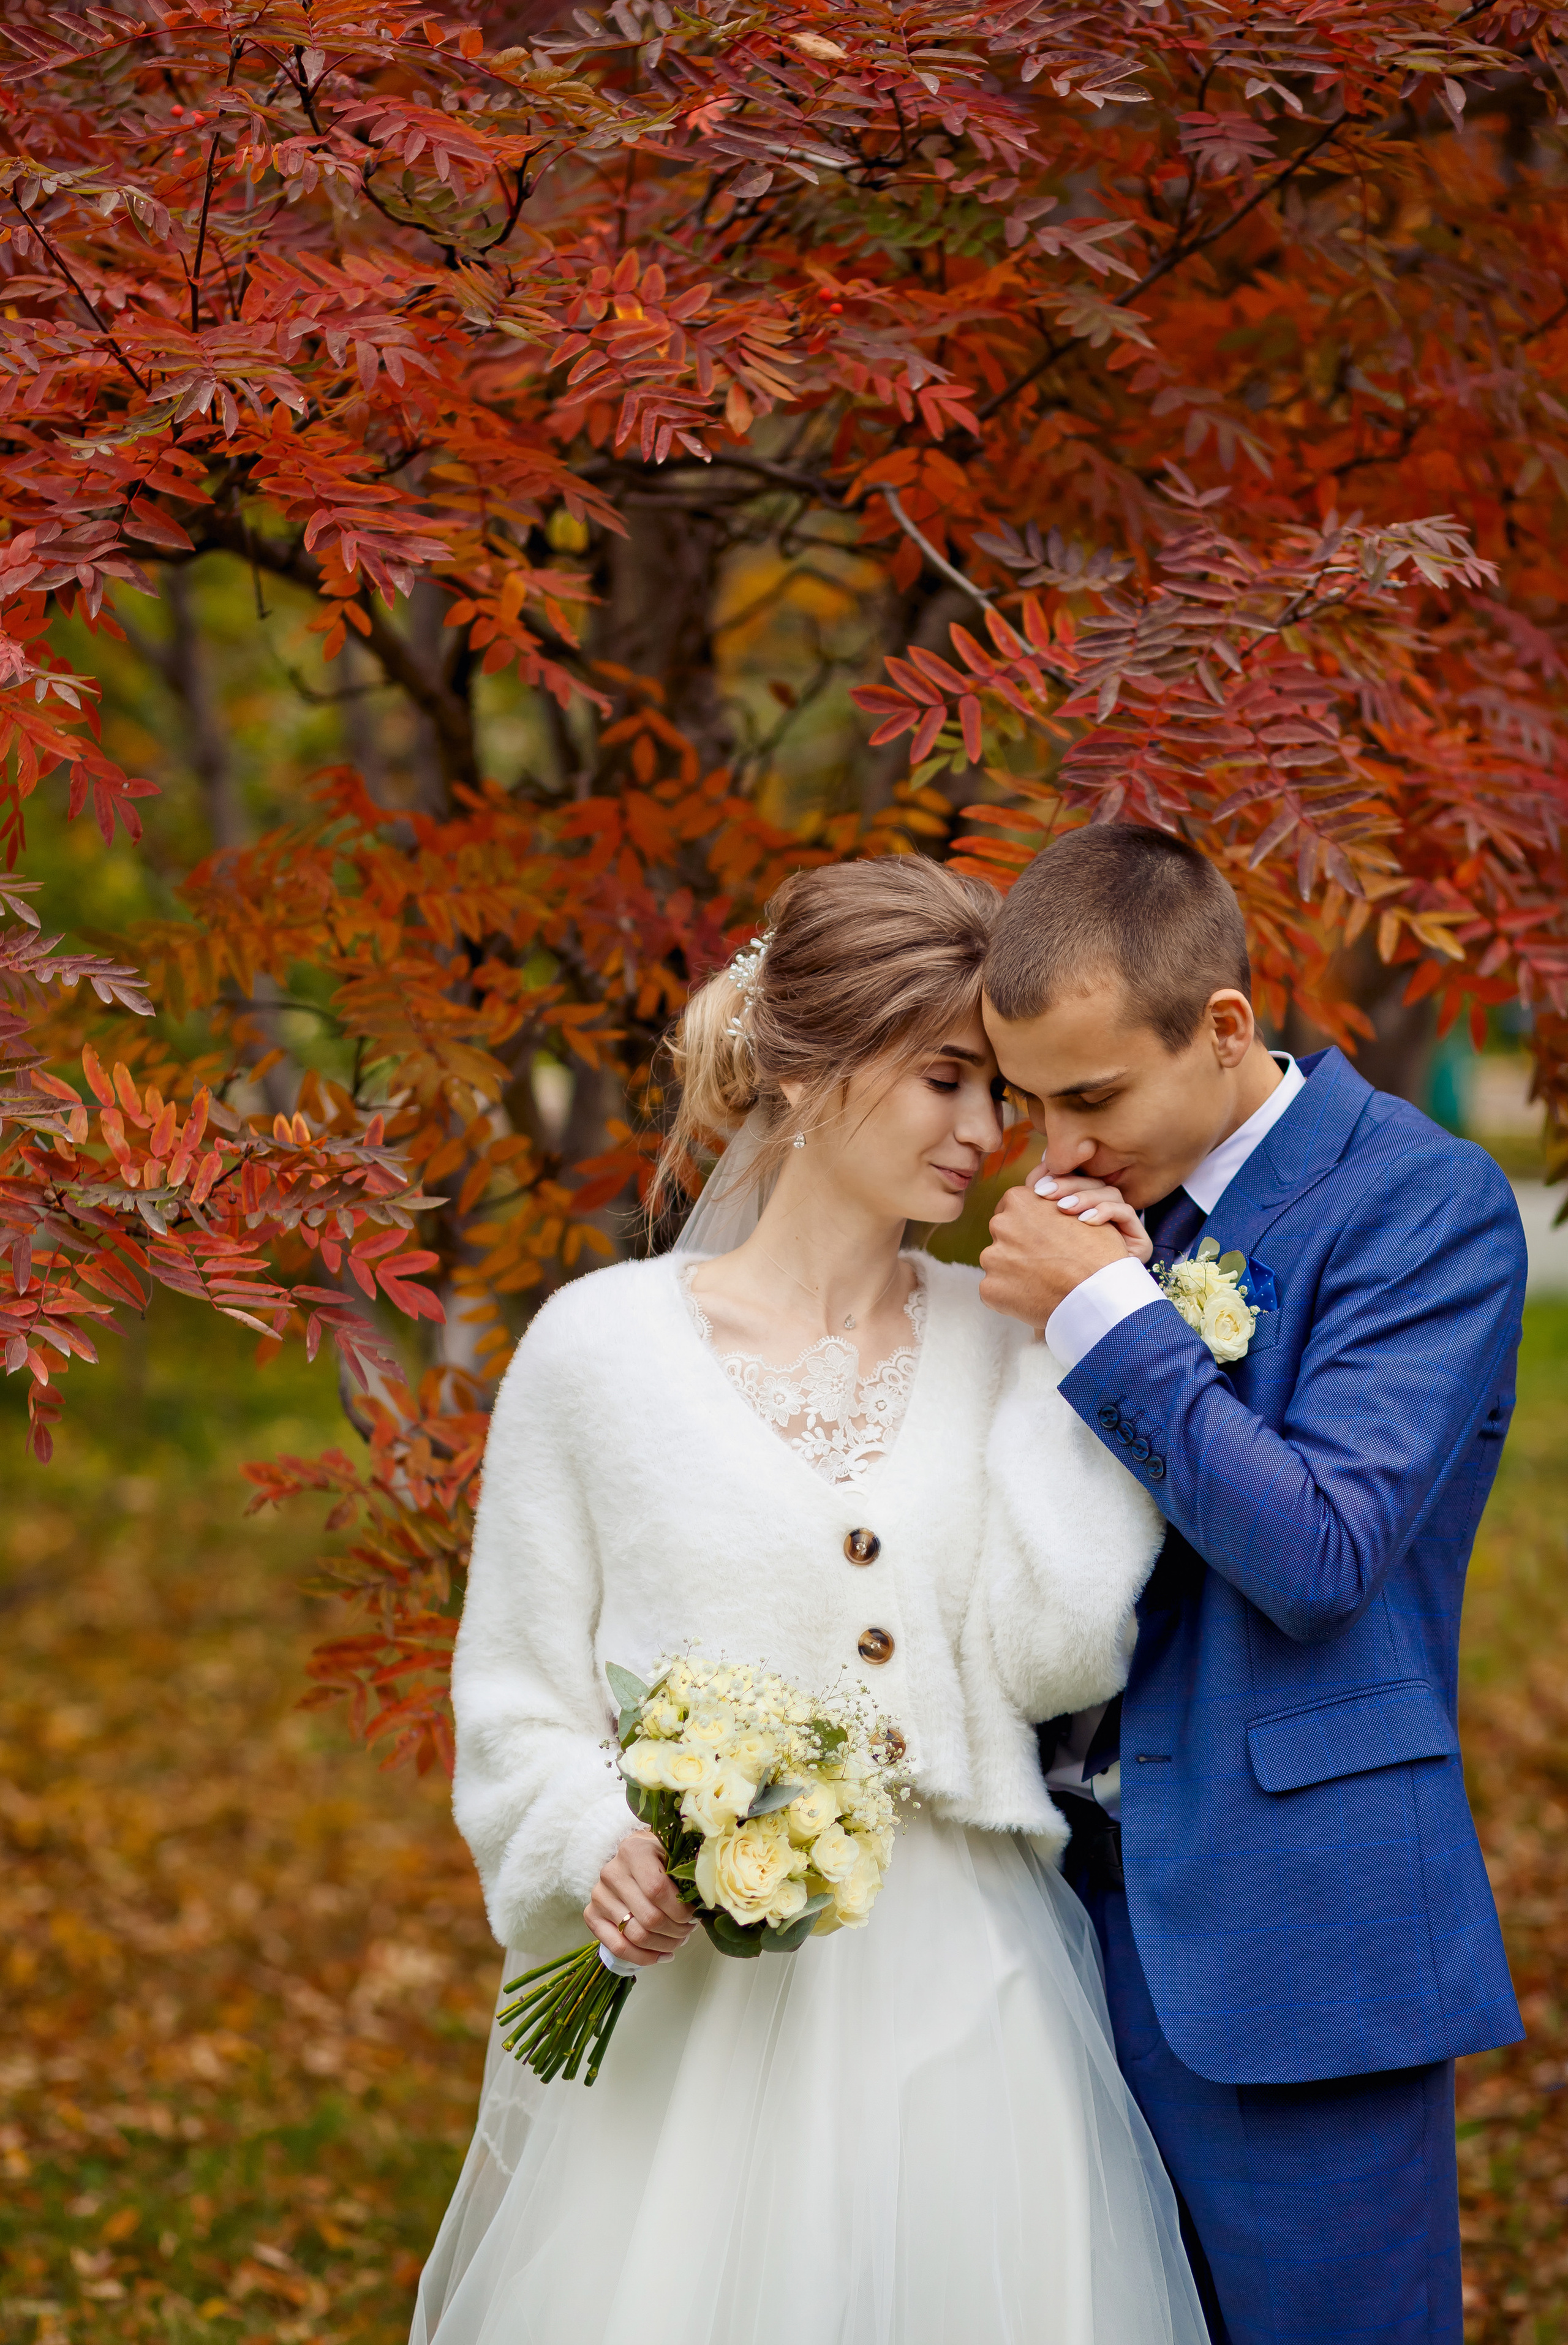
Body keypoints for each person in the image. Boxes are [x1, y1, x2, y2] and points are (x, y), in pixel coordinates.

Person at [411, 858, 1210, 2345]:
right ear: (805, 1069)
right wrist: (599, 1843)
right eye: (944, 1079)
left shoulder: (1006, 1338)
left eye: (999, 1094)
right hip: (699, 2023)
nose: (984, 1133)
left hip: (971, 1998)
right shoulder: (593, 1355)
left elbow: (1053, 1660)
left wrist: (1078, 1356)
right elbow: (514, 1704)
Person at [977, 823, 1527, 2345]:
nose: (1054, 1153)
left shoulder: (1420, 1203)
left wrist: (1106, 1319)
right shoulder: (1088, 1216)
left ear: (1221, 1026)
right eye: (1028, 1105)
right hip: (1035, 1935)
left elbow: (1319, 1553)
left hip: (1291, 1933)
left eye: (1091, 1100)